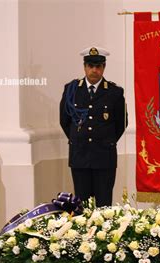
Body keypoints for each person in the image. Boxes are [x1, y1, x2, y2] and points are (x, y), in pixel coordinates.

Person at [60, 46, 127, 207]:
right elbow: (64, 121)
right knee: (82, 204)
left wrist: (105, 140)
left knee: (104, 205)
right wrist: (79, 139)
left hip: (104, 157)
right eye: (90, 66)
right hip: (80, 156)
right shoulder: (72, 89)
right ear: (84, 67)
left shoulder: (114, 92)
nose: (94, 70)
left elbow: (122, 123)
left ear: (104, 67)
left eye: (98, 66)